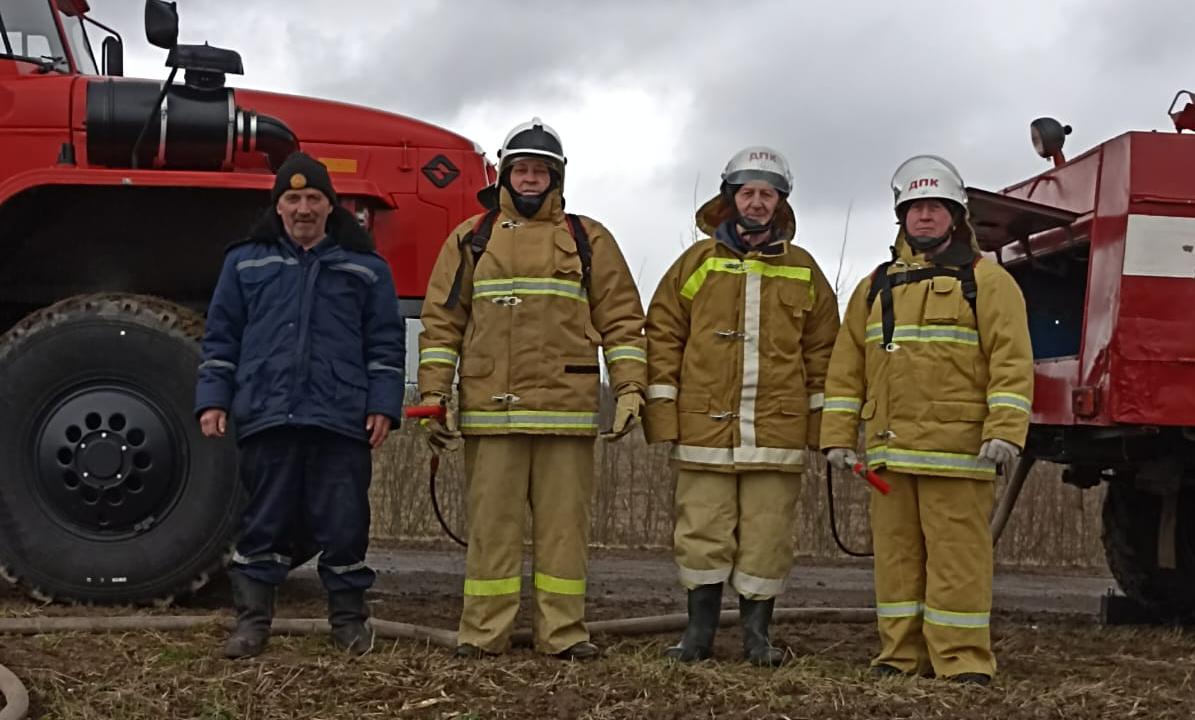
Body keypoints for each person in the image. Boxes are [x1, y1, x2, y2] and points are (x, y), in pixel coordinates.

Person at [417, 118, 646, 660]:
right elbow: (442, 323)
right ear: (505, 175)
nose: (530, 178)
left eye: (540, 170)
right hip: (489, 413)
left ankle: (563, 634)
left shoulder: (588, 239)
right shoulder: (472, 237)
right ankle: (483, 633)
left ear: (556, 177)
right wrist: (434, 395)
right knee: (492, 531)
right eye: (521, 169)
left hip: (566, 413)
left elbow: (621, 319)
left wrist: (632, 386)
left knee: (565, 533)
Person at [820, 154, 1033, 685]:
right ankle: (899, 656)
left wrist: (1006, 432)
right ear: (901, 218)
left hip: (959, 457)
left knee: (958, 562)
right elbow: (847, 369)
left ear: (957, 216)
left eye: (936, 207)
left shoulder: (989, 282)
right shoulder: (874, 286)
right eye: (914, 208)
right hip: (891, 456)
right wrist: (837, 438)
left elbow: (1011, 361)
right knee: (895, 562)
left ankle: (961, 660)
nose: (924, 216)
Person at [195, 151, 405, 660]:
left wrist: (383, 404)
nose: (304, 208)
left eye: (314, 198)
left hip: (341, 419)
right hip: (268, 413)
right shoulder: (245, 262)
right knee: (263, 522)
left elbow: (385, 343)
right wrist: (213, 400)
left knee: (345, 523)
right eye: (293, 199)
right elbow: (221, 338)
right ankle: (251, 624)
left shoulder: (366, 268)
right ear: (279, 207)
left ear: (331, 207)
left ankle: (350, 623)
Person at [643, 147, 839, 666]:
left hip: (777, 432)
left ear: (781, 202)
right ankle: (698, 636)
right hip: (703, 431)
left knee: (768, 536)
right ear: (730, 199)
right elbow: (661, 335)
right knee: (701, 532)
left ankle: (758, 638)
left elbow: (824, 353)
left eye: (767, 194)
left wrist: (823, 428)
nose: (756, 203)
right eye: (747, 193)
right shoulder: (695, 265)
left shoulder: (804, 271)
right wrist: (662, 413)